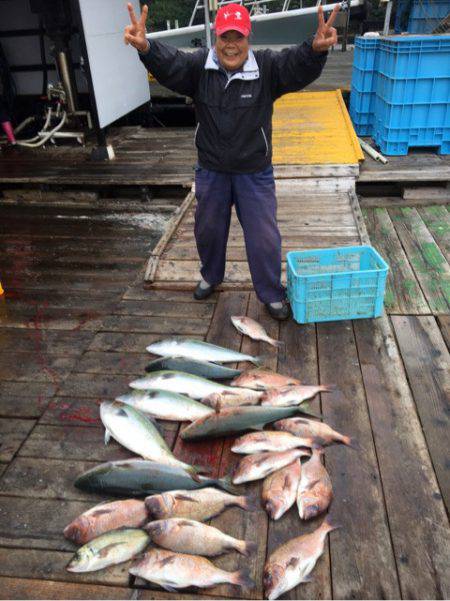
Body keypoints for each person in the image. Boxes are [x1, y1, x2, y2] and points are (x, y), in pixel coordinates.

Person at [125, 2, 339, 320]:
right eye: (225, 36)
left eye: (238, 37)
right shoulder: (199, 67)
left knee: (264, 236)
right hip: (211, 170)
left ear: (248, 38)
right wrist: (146, 47)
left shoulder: (266, 67)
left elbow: (295, 65)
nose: (231, 45)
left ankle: (270, 293)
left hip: (254, 171)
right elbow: (172, 65)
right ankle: (211, 275)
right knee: (207, 230)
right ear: (216, 37)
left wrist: (315, 49)